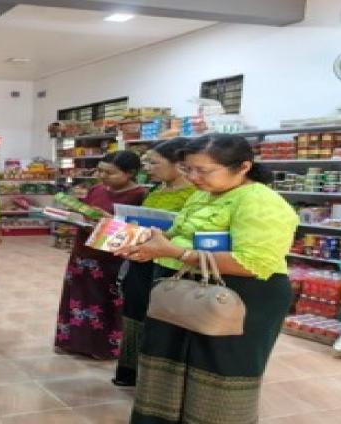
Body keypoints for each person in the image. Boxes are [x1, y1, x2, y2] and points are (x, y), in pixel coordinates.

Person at [117, 134, 298, 424]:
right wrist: (149, 245)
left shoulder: (262, 203)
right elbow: (181, 233)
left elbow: (252, 263)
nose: (193, 177)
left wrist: (176, 252)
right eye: (188, 169)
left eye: (203, 170)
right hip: (186, 290)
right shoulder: (202, 194)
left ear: (243, 167)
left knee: (218, 369)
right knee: (167, 362)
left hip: (239, 296)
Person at [112, 138, 196, 387]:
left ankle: (154, 379)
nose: (148, 168)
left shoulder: (195, 195)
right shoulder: (154, 191)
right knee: (134, 312)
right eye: (147, 162)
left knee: (159, 317)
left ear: (178, 164)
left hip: (171, 264)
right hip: (141, 260)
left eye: (154, 163)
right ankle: (130, 370)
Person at [55, 150, 148, 359]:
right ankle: (73, 342)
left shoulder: (140, 195)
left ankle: (101, 348)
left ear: (130, 173)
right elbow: (86, 213)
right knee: (78, 298)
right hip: (84, 251)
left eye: (110, 173)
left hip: (111, 258)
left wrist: (110, 222)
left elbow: (138, 231)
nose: (102, 176)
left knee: (105, 302)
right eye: (100, 171)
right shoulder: (96, 189)